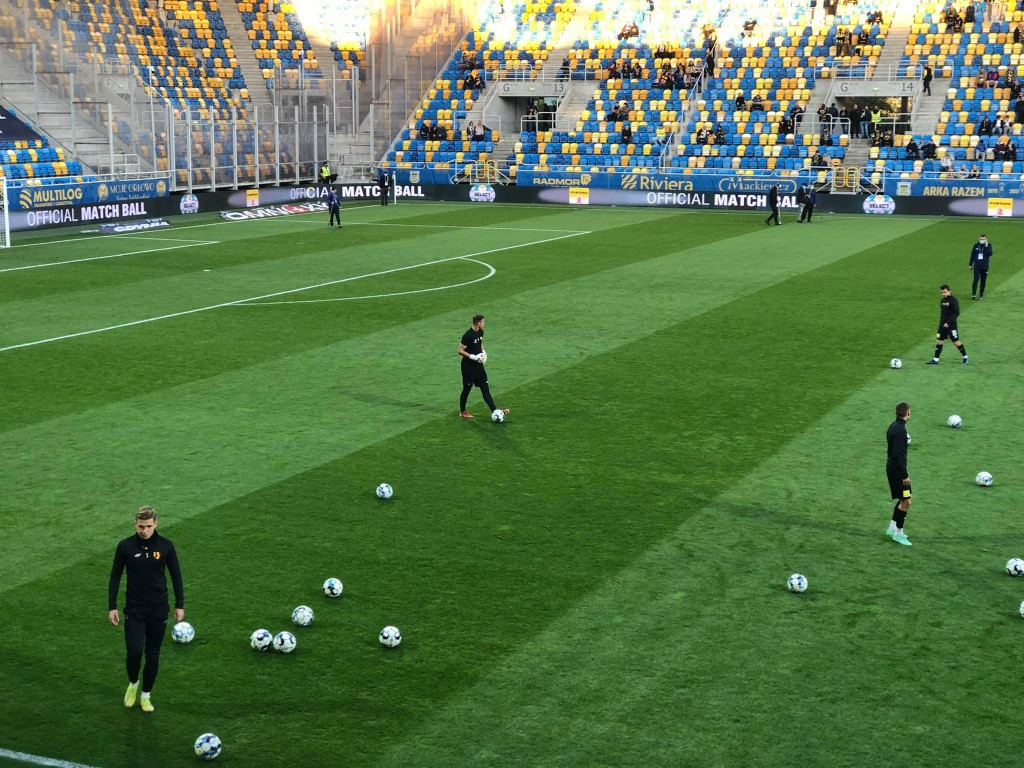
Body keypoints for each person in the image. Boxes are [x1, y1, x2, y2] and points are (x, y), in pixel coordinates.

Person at [108, 506, 184, 713]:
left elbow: (176, 575)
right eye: (141, 526)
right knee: (134, 652)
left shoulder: (166, 546)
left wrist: (179, 605)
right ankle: (133, 683)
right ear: (135, 524)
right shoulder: (125, 546)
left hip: (158, 610)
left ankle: (146, 695)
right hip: (134, 610)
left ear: (155, 524)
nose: (144, 530)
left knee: (153, 653)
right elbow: (115, 576)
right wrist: (112, 606)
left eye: (148, 526)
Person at [458, 314, 509, 419]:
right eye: (483, 322)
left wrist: (483, 352)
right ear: (478, 323)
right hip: (468, 367)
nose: (484, 323)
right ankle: (463, 411)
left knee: (485, 388)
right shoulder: (468, 335)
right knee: (467, 389)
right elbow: (460, 350)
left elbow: (480, 344)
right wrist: (472, 357)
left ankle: (494, 410)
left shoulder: (480, 331)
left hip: (478, 366)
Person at [885, 402, 914, 546]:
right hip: (898, 470)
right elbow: (898, 456)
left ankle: (892, 528)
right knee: (906, 501)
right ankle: (898, 534)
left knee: (904, 499)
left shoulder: (893, 426)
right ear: (907, 413)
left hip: (892, 467)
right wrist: (904, 475)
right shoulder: (901, 431)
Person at [927, 284, 969, 365]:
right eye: (942, 292)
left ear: (949, 291)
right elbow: (943, 313)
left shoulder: (954, 300)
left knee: (956, 341)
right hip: (942, 325)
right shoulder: (942, 300)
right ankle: (935, 360)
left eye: (944, 292)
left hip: (951, 325)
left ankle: (965, 357)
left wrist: (948, 322)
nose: (943, 294)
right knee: (939, 341)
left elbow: (956, 313)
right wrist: (942, 323)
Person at [969, 233, 992, 299]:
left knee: (983, 281)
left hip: (985, 267)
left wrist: (986, 246)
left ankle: (981, 294)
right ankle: (973, 294)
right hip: (977, 266)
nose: (982, 240)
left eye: (983, 239)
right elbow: (972, 255)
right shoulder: (976, 245)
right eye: (981, 239)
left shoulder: (989, 245)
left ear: (986, 239)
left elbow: (989, 254)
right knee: (975, 280)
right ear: (979, 239)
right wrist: (970, 264)